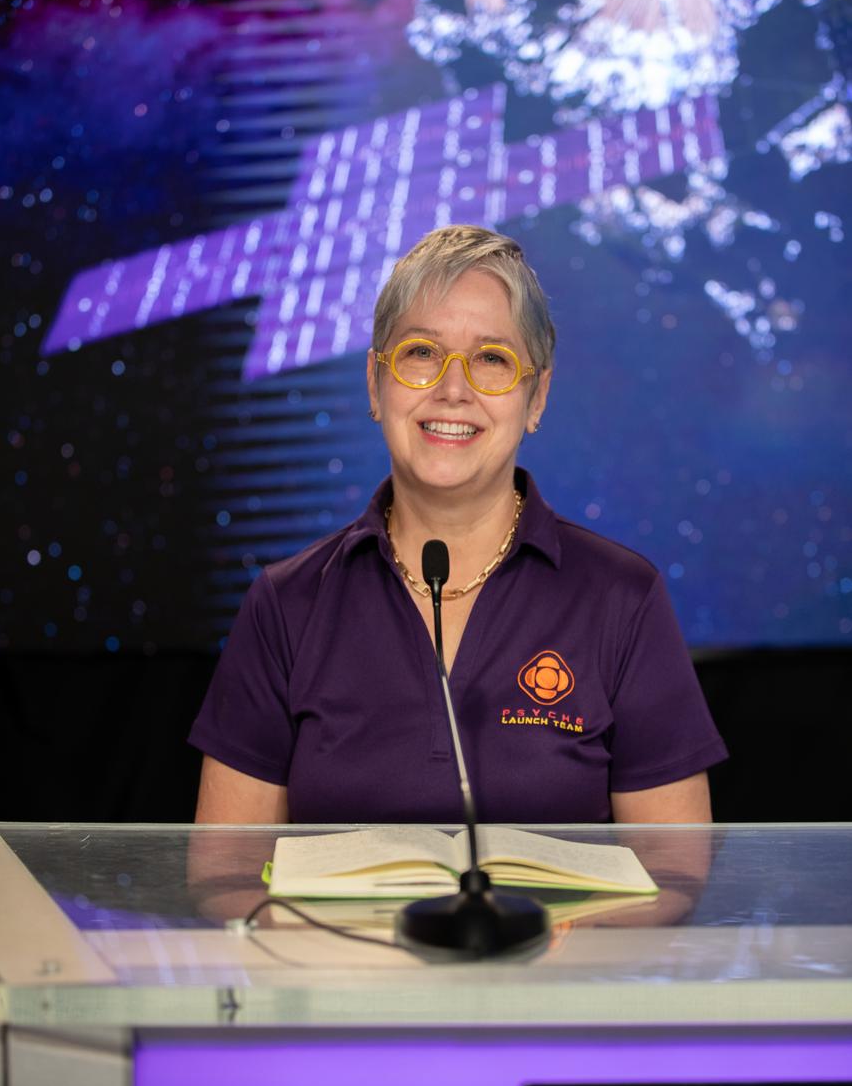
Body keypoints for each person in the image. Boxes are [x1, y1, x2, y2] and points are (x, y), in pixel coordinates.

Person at [190, 224, 726, 826]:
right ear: (375, 383)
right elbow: (226, 869)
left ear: (537, 397)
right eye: (421, 352)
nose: (453, 390)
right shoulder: (285, 606)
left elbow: (676, 868)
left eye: (492, 359)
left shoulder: (623, 598)